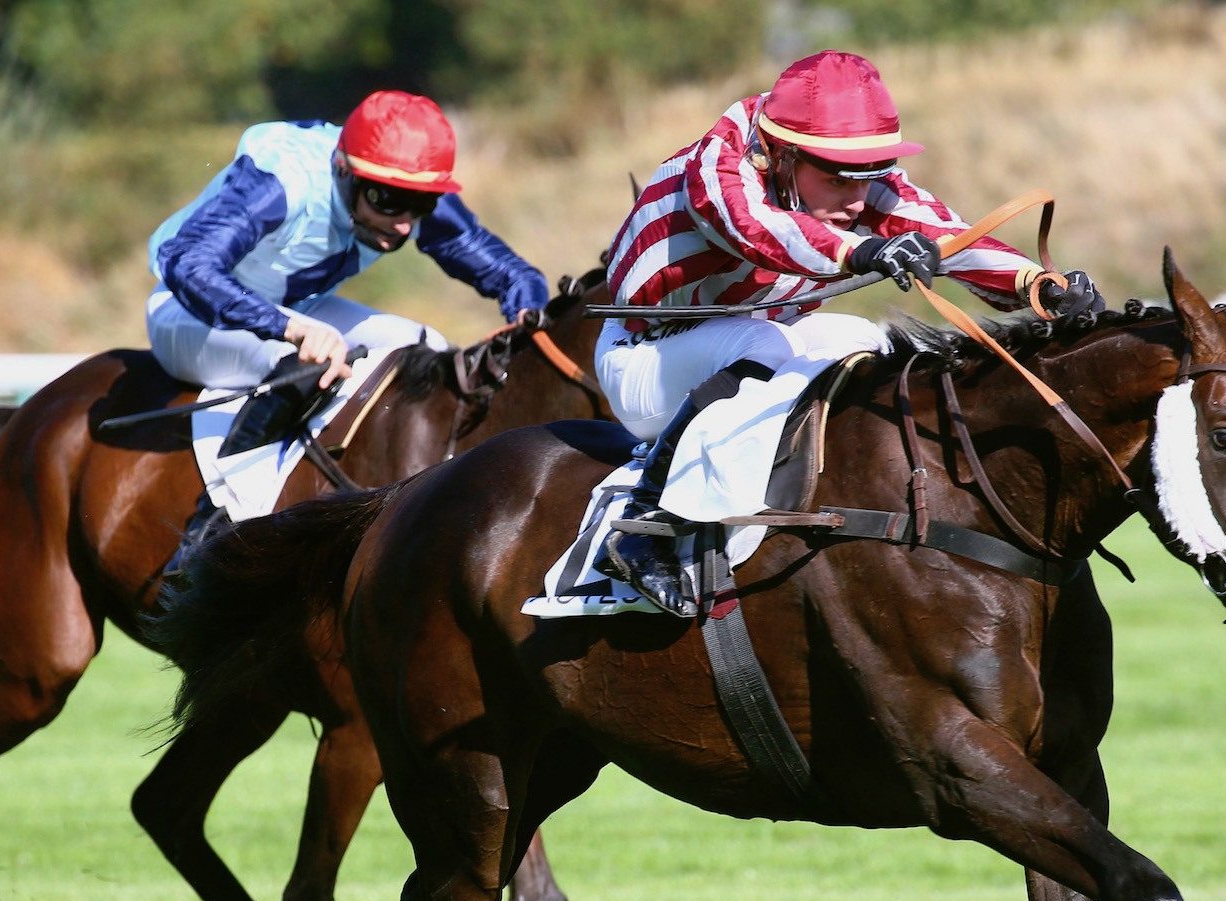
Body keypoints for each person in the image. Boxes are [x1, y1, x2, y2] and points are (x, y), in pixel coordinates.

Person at [594, 50, 1105, 615]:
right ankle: (645, 526)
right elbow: (758, 229)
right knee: (763, 346)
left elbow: (942, 234)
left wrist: (1039, 286)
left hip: (736, 350)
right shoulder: (717, 167)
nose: (857, 199)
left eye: (869, 177)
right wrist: (859, 249)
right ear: (781, 155)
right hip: (644, 360)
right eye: (838, 178)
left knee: (866, 340)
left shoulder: (833, 178)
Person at [146, 90, 551, 465]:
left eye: (422, 203)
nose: (405, 224)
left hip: (300, 311)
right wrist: (287, 327)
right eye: (388, 201)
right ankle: (212, 522)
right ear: (343, 171)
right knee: (308, 362)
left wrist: (527, 312)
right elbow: (188, 263)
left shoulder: (395, 192)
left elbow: (509, 273)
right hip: (188, 313)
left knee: (426, 349)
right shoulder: (284, 183)